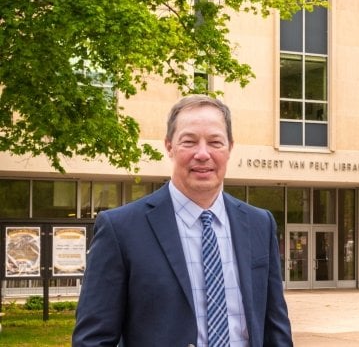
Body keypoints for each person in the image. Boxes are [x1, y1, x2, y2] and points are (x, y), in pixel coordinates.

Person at [73, 95, 292, 346]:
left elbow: (276, 328)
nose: (202, 154)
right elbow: (93, 340)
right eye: (189, 141)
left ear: (230, 147)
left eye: (215, 142)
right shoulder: (120, 229)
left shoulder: (260, 224)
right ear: (169, 146)